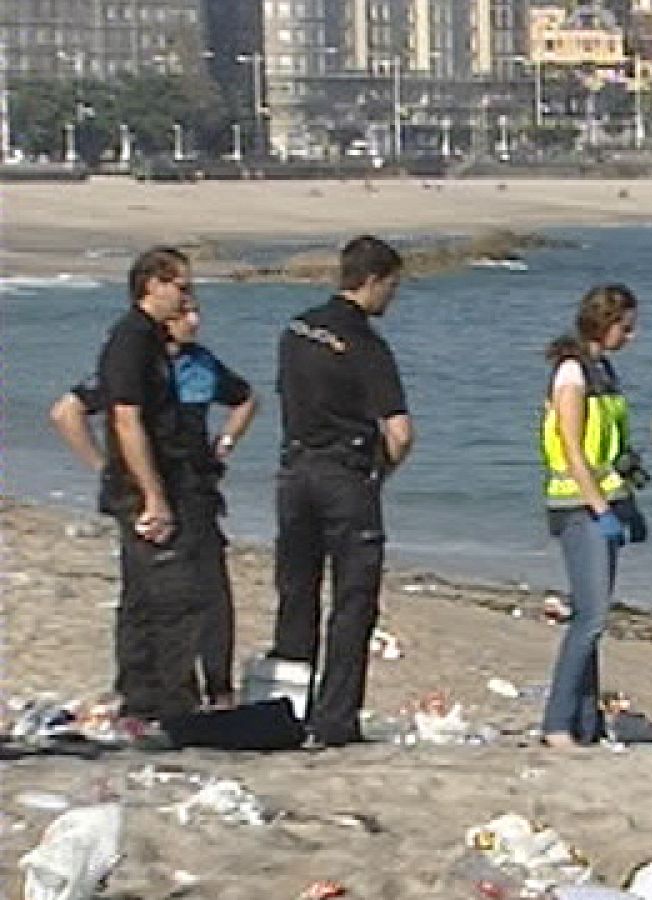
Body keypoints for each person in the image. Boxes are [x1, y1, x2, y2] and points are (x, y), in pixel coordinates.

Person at [51, 295, 257, 709]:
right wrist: (107, 468)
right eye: (185, 313)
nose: (194, 320)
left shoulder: (203, 363)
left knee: (212, 590)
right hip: (150, 495)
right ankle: (144, 692)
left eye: (197, 311)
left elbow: (246, 399)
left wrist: (226, 442)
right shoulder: (137, 369)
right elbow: (66, 413)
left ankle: (219, 688)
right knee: (147, 593)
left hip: (197, 491)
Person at [268, 236, 413, 748]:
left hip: (295, 468)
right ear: (372, 281)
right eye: (391, 287)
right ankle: (334, 720)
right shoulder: (366, 344)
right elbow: (400, 432)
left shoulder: (296, 330)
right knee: (352, 601)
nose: (392, 299)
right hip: (345, 474)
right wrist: (379, 475)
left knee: (296, 592)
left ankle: (284, 708)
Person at [91, 246, 213, 741]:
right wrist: (153, 495)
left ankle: (141, 703)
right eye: (180, 287)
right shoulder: (131, 341)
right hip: (145, 485)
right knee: (172, 596)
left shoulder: (151, 341)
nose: (187, 298)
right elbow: (125, 418)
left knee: (143, 595)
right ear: (152, 285)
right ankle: (166, 703)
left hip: (157, 478)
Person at [537, 284, 646, 748]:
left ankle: (586, 723)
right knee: (592, 617)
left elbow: (609, 448)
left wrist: (628, 496)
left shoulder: (603, 370)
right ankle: (557, 723)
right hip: (578, 507)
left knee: (591, 615)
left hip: (606, 499)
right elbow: (574, 449)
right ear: (605, 323)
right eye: (627, 327)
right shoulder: (571, 374)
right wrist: (601, 510)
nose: (632, 337)